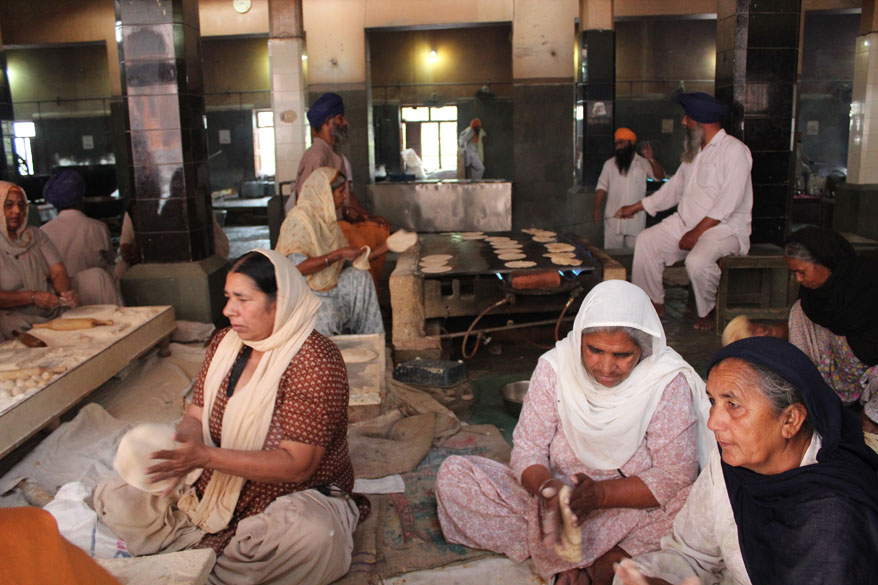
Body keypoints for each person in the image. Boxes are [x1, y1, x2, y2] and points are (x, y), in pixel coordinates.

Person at [94, 249, 369, 585]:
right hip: (215, 485)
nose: (228, 310)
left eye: (242, 299)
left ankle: (221, 558)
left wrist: (206, 456)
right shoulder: (226, 342)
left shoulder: (313, 361)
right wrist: (187, 442)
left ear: (278, 301)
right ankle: (218, 554)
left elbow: (299, 466)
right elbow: (195, 413)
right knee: (120, 497)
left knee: (311, 536)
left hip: (288, 495)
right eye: (227, 297)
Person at [435, 280, 712, 585]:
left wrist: (601, 495)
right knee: (454, 476)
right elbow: (528, 449)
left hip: (633, 508)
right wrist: (549, 491)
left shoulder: (665, 381)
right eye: (595, 350)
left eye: (622, 355)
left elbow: (676, 474)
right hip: (557, 503)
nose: (606, 367)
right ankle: (602, 563)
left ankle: (590, 559)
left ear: (643, 350)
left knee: (701, 500)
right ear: (579, 338)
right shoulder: (555, 369)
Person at [614, 336, 878, 585]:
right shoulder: (734, 464)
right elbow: (692, 554)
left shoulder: (836, 514)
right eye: (713, 401)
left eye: (733, 405)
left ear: (790, 420)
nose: (713, 422)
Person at [617, 92, 753, 331]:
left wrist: (697, 232)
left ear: (701, 120)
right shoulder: (694, 154)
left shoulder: (735, 151)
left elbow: (728, 201)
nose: (683, 122)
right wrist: (636, 207)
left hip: (723, 230)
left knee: (697, 261)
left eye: (687, 118)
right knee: (646, 241)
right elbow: (672, 191)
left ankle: (707, 312)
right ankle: (654, 304)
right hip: (686, 223)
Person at [287, 92, 390, 285]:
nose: (345, 122)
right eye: (340, 118)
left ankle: (369, 296)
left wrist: (365, 215)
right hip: (324, 228)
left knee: (378, 230)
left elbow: (347, 194)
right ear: (328, 122)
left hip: (338, 223)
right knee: (362, 249)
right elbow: (307, 199)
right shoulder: (316, 156)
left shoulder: (334, 154)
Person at [783, 226, 878, 432]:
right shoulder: (811, 302)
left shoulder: (869, 285)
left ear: (826, 263)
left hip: (875, 374)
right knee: (798, 312)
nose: (798, 279)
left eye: (802, 272)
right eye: (794, 273)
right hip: (838, 376)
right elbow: (802, 352)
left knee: (870, 424)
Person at [276, 167, 384, 336]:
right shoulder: (299, 220)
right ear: (325, 194)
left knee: (360, 277)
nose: (345, 196)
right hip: (304, 291)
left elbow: (348, 260)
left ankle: (369, 340)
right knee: (327, 314)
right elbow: (297, 268)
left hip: (326, 283)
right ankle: (329, 356)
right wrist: (337, 255)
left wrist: (384, 248)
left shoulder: (327, 220)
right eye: (341, 192)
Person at [0, 181, 79, 338]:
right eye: (9, 205)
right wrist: (33, 297)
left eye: (21, 205)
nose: (17, 211)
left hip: (51, 310)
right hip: (16, 319)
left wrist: (64, 294)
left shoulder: (36, 236)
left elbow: (58, 271)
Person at [39, 169, 123, 305]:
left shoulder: (42, 232)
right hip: (99, 294)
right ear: (82, 197)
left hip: (64, 299)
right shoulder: (97, 228)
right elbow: (111, 261)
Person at [594, 128, 665, 249]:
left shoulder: (643, 163)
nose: (619, 147)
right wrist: (596, 208)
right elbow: (601, 187)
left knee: (634, 255)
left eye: (622, 143)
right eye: (617, 144)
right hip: (613, 219)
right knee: (613, 257)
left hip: (635, 220)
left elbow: (659, 177)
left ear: (631, 143)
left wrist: (651, 159)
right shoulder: (609, 164)